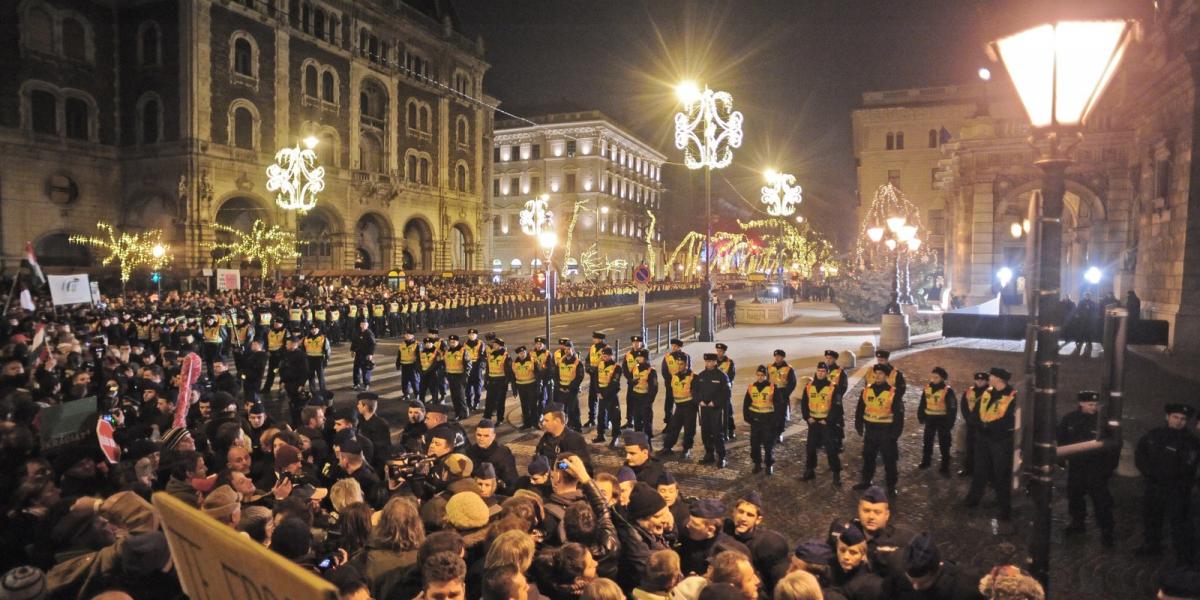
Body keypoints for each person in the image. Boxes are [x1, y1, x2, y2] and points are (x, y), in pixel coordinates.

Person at [1134, 403, 1200, 561]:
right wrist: (1147, 472)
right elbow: (1140, 453)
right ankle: (1152, 546)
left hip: (1177, 490)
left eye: (1183, 419)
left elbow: (1188, 466)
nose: (1178, 421)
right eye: (1175, 417)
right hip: (1153, 485)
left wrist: (1169, 478)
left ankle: (1184, 557)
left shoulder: (1191, 442)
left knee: (1179, 523)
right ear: (1167, 417)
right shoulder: (1154, 434)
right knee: (1151, 517)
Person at [1056, 390, 1116, 547]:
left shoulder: (1101, 422)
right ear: (1081, 403)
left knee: (1101, 501)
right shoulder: (1070, 419)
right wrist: (1062, 460)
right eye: (1090, 404)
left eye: (1095, 404)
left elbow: (1111, 446)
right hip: (1077, 467)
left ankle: (1106, 531)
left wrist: (1108, 469)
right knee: (1075, 496)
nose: (1093, 407)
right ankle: (1078, 523)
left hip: (1096, 468)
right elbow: (1061, 439)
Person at [963, 367, 1017, 522]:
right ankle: (973, 499)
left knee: (1001, 475)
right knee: (979, 470)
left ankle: (1004, 508)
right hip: (983, 439)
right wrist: (980, 426)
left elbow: (1010, 420)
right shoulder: (987, 392)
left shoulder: (1012, 396)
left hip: (1000, 441)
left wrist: (987, 427)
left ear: (999, 379)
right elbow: (975, 415)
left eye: (991, 376)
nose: (989, 377)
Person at [724, 491, 790, 594]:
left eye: (749, 515)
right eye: (740, 512)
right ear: (734, 512)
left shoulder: (767, 544)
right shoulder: (724, 532)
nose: (743, 518)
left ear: (758, 520)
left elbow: (780, 582)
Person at [882, 532, 980, 600]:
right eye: (911, 581)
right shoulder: (896, 564)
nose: (915, 587)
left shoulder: (964, 588)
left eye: (922, 583)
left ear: (939, 568)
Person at [854, 364, 904, 497]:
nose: (877, 376)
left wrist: (895, 434)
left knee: (889, 460)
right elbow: (860, 409)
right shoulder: (866, 390)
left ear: (887, 376)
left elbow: (899, 415)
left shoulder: (893, 393)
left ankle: (891, 486)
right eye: (876, 373)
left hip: (886, 432)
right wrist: (859, 424)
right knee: (868, 457)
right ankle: (866, 480)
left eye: (881, 373)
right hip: (870, 431)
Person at [676, 499, 751, 577]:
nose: (688, 525)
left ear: (710, 530)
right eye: (689, 520)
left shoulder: (732, 552)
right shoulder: (685, 536)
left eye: (694, 524)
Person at [800, 362, 841, 485]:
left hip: (826, 424)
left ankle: (836, 473)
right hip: (813, 423)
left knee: (831, 449)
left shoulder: (833, 387)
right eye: (819, 371)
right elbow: (804, 403)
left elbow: (837, 406)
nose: (820, 373)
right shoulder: (809, 386)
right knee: (810, 448)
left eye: (823, 371)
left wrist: (828, 420)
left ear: (827, 373)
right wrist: (807, 417)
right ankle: (810, 470)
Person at [916, 367, 956, 476]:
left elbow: (952, 408)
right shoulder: (927, 388)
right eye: (932, 376)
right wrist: (921, 415)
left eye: (936, 377)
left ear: (942, 378)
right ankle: (926, 461)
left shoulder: (947, 390)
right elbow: (923, 403)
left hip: (942, 420)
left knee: (944, 443)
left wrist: (950, 423)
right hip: (930, 419)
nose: (933, 379)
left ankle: (945, 465)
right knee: (927, 440)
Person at [658, 357, 698, 460]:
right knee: (674, 427)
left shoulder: (693, 377)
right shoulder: (674, 376)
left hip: (689, 407)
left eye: (681, 364)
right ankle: (667, 447)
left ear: (687, 365)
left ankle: (686, 449)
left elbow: (697, 394)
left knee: (689, 429)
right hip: (679, 407)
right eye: (678, 364)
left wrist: (694, 403)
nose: (679, 366)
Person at [695, 353, 732, 468]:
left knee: (717, 433)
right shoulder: (701, 375)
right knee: (705, 432)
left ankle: (722, 457)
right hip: (704, 408)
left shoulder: (722, 376)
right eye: (707, 361)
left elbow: (726, 393)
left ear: (715, 362)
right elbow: (694, 391)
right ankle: (709, 454)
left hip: (715, 409)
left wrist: (715, 402)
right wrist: (698, 401)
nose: (708, 363)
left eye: (711, 361)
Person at [536, 403, 594, 474]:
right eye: (543, 421)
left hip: (566, 480)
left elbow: (582, 466)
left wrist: (555, 465)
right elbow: (538, 454)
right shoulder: (546, 436)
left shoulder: (574, 439)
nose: (543, 423)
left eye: (547, 421)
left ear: (557, 421)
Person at [466, 420, 519, 496]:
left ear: (493, 436)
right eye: (479, 435)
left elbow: (511, 479)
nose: (481, 438)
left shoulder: (503, 453)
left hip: (499, 493)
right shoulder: (470, 451)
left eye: (486, 436)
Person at [743, 365, 777, 475]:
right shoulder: (751, 387)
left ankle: (769, 465)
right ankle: (757, 464)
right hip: (756, 421)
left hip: (768, 421)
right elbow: (746, 404)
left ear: (766, 376)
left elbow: (778, 406)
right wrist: (748, 418)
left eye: (762, 375)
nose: (760, 377)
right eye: (758, 375)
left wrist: (774, 421)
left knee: (768, 444)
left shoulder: (772, 388)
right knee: (755, 444)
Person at [957, 373, 989, 478]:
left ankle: (981, 472)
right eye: (978, 380)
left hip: (983, 425)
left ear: (986, 381)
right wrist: (968, 418)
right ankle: (968, 469)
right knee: (969, 446)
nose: (980, 382)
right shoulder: (968, 391)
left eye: (982, 380)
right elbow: (964, 406)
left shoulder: (990, 392)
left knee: (983, 449)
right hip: (971, 424)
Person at [552, 340, 586, 431]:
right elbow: (555, 375)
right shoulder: (560, 362)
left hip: (572, 390)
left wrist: (570, 388)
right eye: (566, 349)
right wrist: (560, 387)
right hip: (561, 390)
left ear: (573, 350)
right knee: (562, 411)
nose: (567, 351)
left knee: (574, 410)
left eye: (569, 349)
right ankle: (565, 427)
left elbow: (579, 377)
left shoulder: (577, 362)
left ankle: (577, 427)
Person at [592, 347, 622, 446]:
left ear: (610, 356)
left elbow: (614, 384)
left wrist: (603, 394)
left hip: (611, 395)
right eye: (602, 356)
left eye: (605, 356)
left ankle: (615, 436)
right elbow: (595, 379)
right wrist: (597, 392)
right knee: (600, 415)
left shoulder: (616, 367)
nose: (603, 358)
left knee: (615, 416)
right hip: (601, 394)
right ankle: (600, 435)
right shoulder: (600, 364)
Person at [627, 349, 659, 438]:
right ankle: (638, 438)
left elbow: (654, 387)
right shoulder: (635, 368)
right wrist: (633, 382)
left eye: (641, 357)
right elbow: (629, 381)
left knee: (646, 420)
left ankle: (648, 439)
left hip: (645, 398)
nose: (638, 358)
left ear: (646, 358)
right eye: (638, 356)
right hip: (636, 397)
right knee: (637, 419)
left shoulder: (651, 371)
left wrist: (650, 400)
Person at [766, 350, 796, 444]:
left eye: (779, 356)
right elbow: (767, 380)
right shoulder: (769, 367)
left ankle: (779, 433)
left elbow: (792, 383)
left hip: (782, 393)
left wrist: (785, 394)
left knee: (781, 415)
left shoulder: (788, 368)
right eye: (776, 356)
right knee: (771, 414)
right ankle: (771, 433)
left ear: (783, 357)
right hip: (772, 393)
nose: (777, 358)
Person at [508, 346, 541, 430]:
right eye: (520, 353)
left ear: (526, 352)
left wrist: (538, 387)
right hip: (521, 386)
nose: (522, 354)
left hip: (531, 385)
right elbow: (513, 377)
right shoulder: (515, 363)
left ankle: (535, 423)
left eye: (523, 353)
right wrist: (514, 389)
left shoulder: (532, 361)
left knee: (533, 405)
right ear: (518, 354)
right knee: (524, 406)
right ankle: (527, 423)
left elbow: (538, 374)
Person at [661, 339, 690, 425]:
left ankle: (682, 423)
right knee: (668, 404)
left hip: (682, 385)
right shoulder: (667, 357)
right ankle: (668, 423)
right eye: (672, 346)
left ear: (679, 347)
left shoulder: (685, 356)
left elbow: (687, 370)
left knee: (681, 405)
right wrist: (672, 381)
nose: (673, 348)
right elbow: (664, 371)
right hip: (670, 385)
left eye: (676, 346)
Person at [442, 335, 471, 420]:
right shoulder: (447, 351)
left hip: (459, 376)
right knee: (454, 396)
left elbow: (468, 365)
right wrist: (446, 375)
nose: (452, 343)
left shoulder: (463, 351)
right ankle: (457, 413)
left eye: (454, 342)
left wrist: (465, 377)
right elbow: (445, 364)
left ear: (458, 342)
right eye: (450, 342)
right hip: (450, 376)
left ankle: (464, 413)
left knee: (460, 396)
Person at [484, 337, 511, 424]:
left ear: (500, 345)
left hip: (501, 381)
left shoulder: (505, 355)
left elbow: (509, 369)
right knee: (489, 400)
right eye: (493, 344)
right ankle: (487, 418)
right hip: (491, 380)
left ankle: (500, 419)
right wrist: (486, 379)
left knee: (500, 402)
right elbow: (488, 368)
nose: (493, 345)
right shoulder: (491, 354)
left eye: (495, 344)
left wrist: (506, 382)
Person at [713, 344, 737, 441]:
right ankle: (719, 431)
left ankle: (730, 430)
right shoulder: (713, 361)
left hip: (725, 390)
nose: (719, 353)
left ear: (724, 352)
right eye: (717, 350)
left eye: (721, 351)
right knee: (716, 412)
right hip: (715, 391)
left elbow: (731, 377)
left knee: (728, 412)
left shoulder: (729, 362)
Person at [303, 323, 331, 396]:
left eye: (315, 328)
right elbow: (303, 350)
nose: (314, 330)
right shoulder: (306, 338)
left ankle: (323, 391)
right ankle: (313, 392)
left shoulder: (323, 338)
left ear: (318, 329)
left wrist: (327, 359)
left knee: (320, 377)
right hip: (309, 359)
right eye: (312, 329)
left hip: (319, 360)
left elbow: (328, 350)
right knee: (311, 377)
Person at [350, 320, 375, 392]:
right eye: (362, 324)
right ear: (360, 325)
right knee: (356, 369)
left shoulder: (369, 333)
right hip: (358, 353)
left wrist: (370, 354)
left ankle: (366, 384)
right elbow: (354, 342)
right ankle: (356, 383)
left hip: (365, 354)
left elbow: (373, 344)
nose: (363, 325)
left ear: (367, 325)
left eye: (365, 324)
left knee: (365, 370)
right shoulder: (357, 332)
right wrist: (352, 350)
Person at [396, 331, 421, 401]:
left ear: (412, 336)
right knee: (404, 381)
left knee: (414, 381)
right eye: (406, 334)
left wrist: (418, 366)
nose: (406, 336)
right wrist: (398, 363)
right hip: (404, 365)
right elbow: (399, 355)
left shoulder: (417, 344)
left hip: (412, 366)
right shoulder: (402, 344)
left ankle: (417, 394)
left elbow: (419, 356)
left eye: (408, 335)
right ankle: (406, 394)